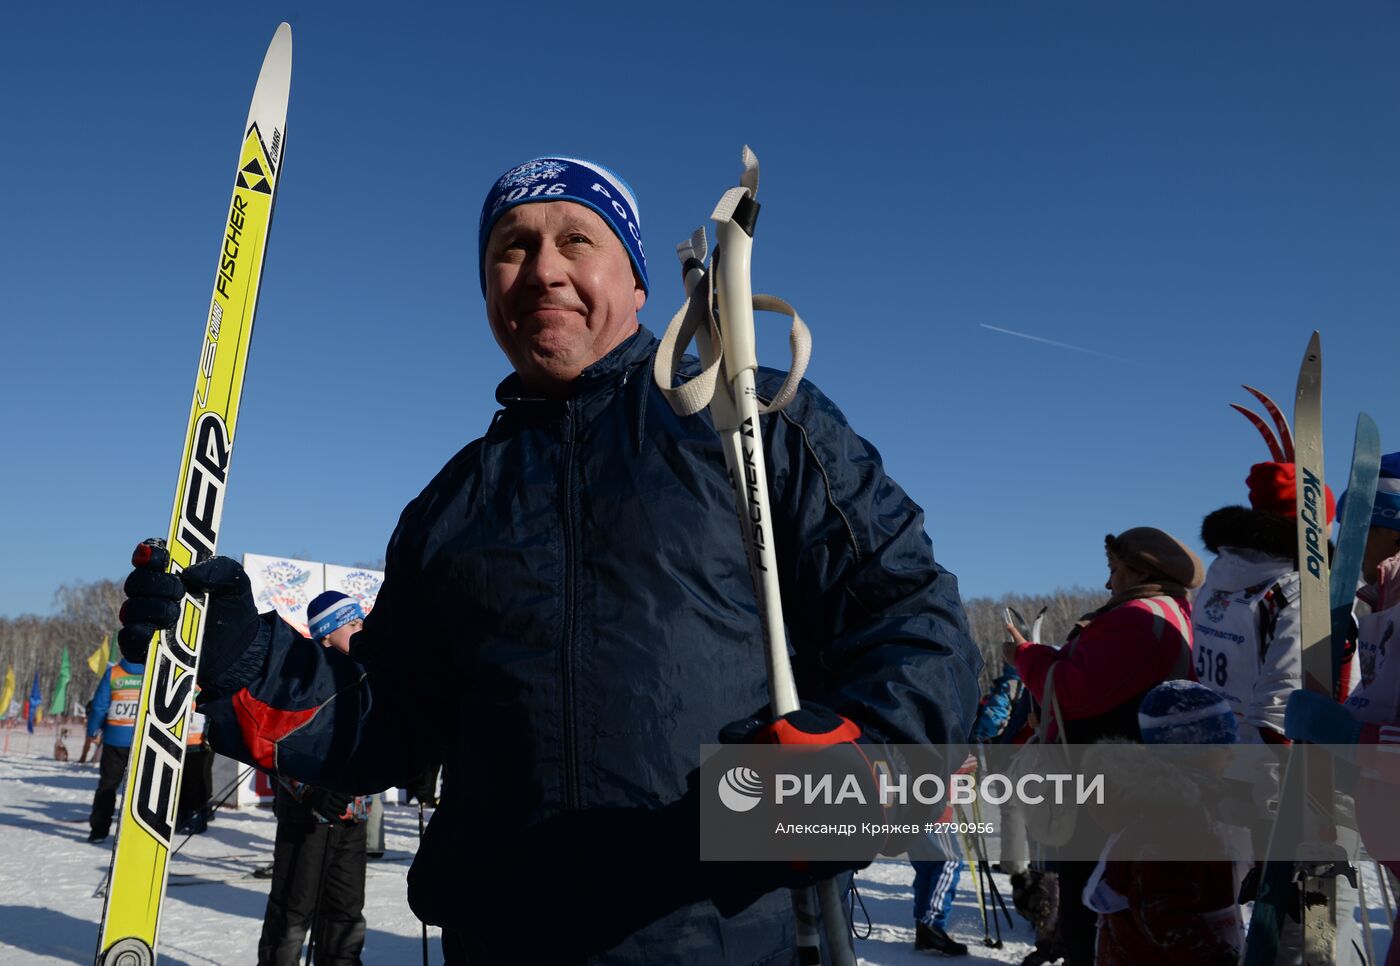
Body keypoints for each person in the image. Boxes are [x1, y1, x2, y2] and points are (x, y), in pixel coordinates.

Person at [115, 155, 982, 964]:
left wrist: (863, 768)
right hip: (503, 938)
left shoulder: (750, 424)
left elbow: (910, 615)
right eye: (511, 249)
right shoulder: (451, 505)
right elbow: (386, 722)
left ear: (637, 281)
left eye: (576, 239)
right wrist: (241, 660)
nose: (542, 270)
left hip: (723, 936)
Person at [1004, 526, 1203, 966]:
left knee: (1092, 915)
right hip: (1123, 781)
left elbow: (1073, 690)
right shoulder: (1161, 613)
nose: (1108, 582)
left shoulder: (1137, 618)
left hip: (1111, 787)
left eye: (1115, 570)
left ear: (1140, 571)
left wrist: (1024, 657)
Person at [1084, 681, 1246, 966]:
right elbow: (1163, 911)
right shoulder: (1171, 818)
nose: (1232, 753)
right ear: (1192, 751)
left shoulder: (1179, 805)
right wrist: (1214, 959)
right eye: (1223, 744)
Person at [257, 591, 373, 966]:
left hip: (351, 816)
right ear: (325, 635)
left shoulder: (367, 676)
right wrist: (310, 792)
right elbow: (277, 744)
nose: (361, 631)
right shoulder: (301, 678)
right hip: (306, 819)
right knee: (293, 911)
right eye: (353, 625)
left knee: (345, 912)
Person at [85, 656, 145, 842]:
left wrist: (94, 729)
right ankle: (137, 833)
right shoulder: (152, 672)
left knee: (108, 786)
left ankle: (99, 831)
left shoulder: (113, 673)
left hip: (115, 740)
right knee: (141, 789)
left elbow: (99, 706)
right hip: (143, 740)